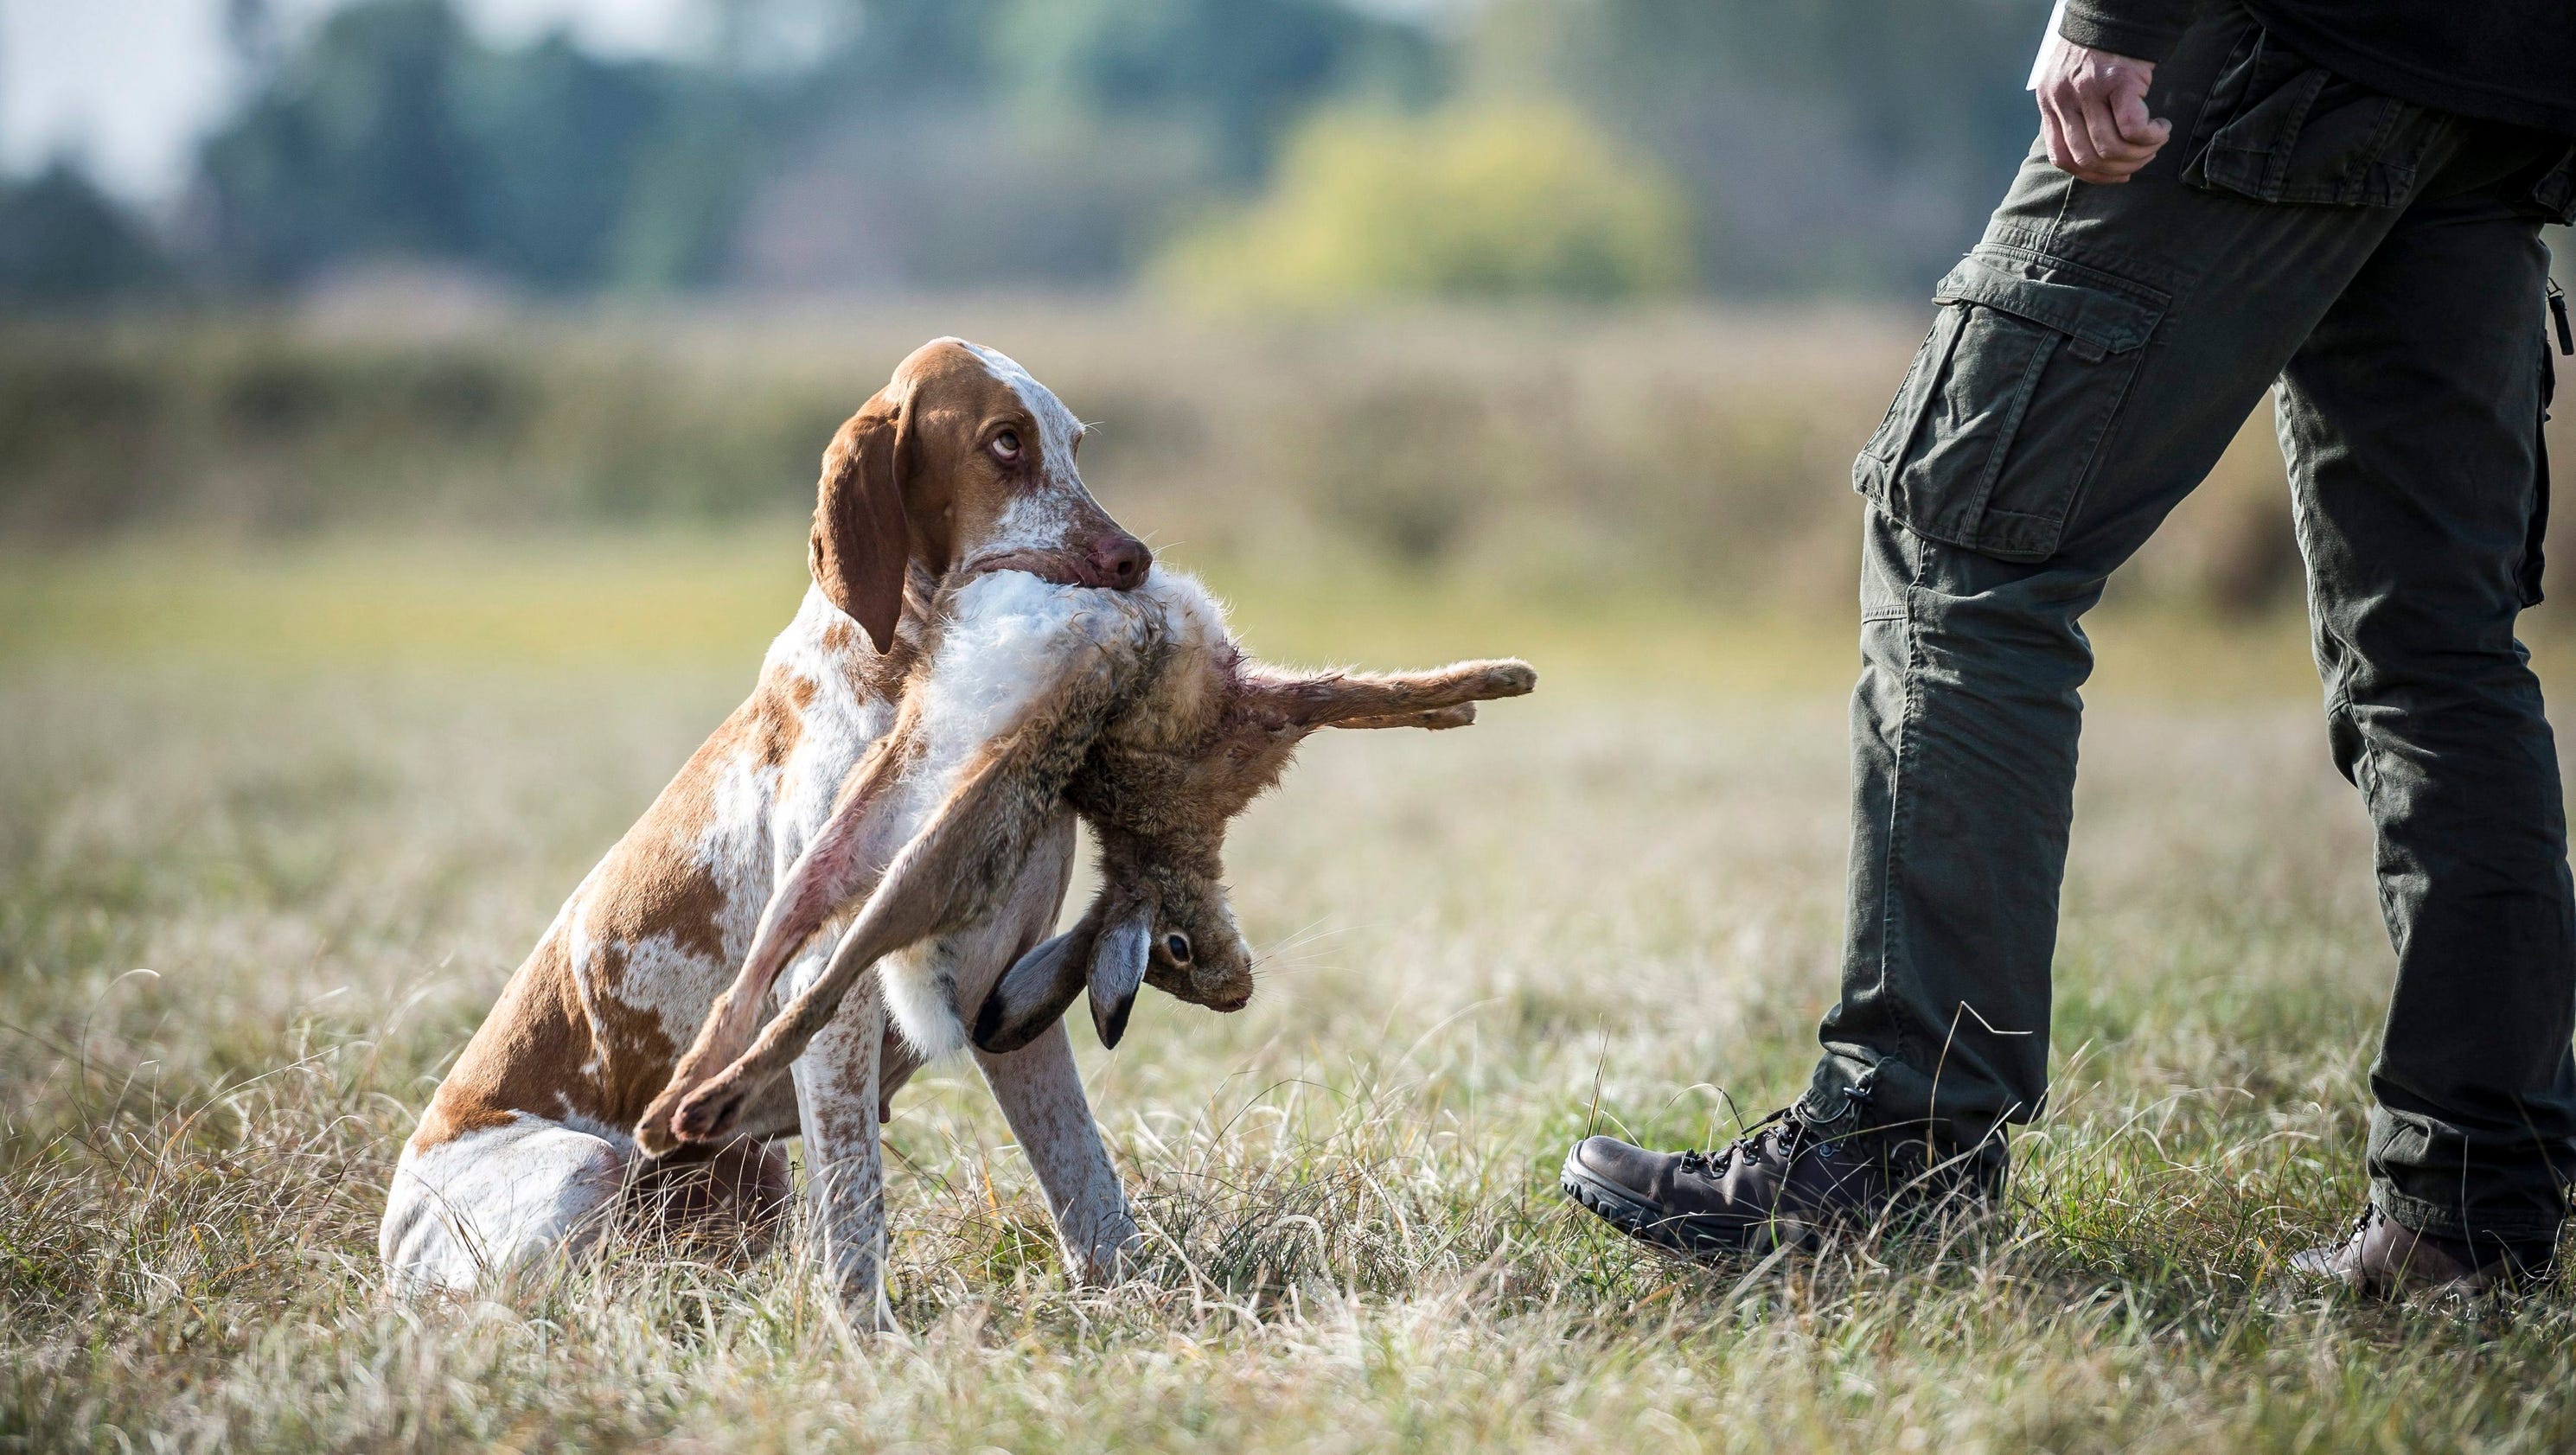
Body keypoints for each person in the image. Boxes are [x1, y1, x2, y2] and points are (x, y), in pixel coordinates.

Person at [1561, 0, 2576, 1299]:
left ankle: (1896, 1156)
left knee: (1965, 542)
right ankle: (2470, 1219)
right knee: (2440, 655)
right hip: (2507, 85)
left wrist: (2115, 14)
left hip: (2281, 40)